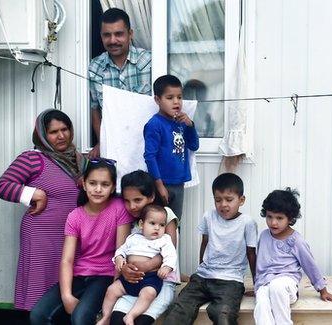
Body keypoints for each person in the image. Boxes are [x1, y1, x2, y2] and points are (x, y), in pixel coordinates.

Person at [0, 109, 88, 311]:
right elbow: (2, 186)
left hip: (71, 237)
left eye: (65, 129)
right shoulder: (32, 158)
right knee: (39, 289)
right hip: (40, 237)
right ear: (43, 135)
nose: (61, 136)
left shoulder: (79, 161)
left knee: (68, 290)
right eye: (54, 132)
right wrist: (35, 194)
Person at [29, 160, 135, 324]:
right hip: (80, 274)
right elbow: (67, 260)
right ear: (84, 184)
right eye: (93, 183)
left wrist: (114, 291)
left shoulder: (119, 208)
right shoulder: (75, 216)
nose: (98, 189)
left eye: (105, 184)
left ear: (113, 187)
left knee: (80, 317)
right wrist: (66, 296)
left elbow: (121, 253)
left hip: (105, 276)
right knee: (38, 314)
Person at [163, 173, 257, 325]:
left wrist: (257, 284)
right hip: (203, 277)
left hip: (230, 280)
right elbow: (205, 242)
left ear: (241, 200)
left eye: (229, 199)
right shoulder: (209, 216)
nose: (223, 205)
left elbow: (251, 254)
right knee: (179, 310)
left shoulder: (247, 223)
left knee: (223, 314)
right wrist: (201, 267)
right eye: (218, 200)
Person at [253, 188, 332, 325]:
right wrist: (257, 286)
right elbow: (260, 264)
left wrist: (323, 290)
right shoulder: (264, 236)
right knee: (262, 301)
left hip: (286, 285)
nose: (273, 222)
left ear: (290, 219)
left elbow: (310, 265)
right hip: (265, 283)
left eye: (279, 218)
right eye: (269, 217)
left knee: (277, 287)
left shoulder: (296, 240)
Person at [108, 170, 182, 325]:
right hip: (132, 281)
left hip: (160, 282)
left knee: (140, 321)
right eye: (127, 201)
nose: (132, 206)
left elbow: (169, 252)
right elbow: (123, 250)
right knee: (116, 321)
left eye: (137, 200)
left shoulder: (164, 215)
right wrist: (125, 269)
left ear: (151, 197)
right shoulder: (131, 220)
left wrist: (145, 266)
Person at [97, 205, 177, 325]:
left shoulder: (164, 240)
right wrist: (119, 258)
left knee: (149, 293)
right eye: (152, 223)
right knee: (111, 290)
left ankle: (131, 315)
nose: (157, 228)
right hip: (128, 278)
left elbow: (171, 255)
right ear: (141, 224)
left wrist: (167, 267)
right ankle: (106, 316)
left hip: (150, 278)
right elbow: (121, 250)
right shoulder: (133, 238)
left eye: (161, 225)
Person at [89, 8, 152, 157]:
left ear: (130, 34)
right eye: (107, 35)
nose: (112, 41)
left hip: (147, 145)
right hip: (115, 148)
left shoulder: (149, 62)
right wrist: (102, 142)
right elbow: (95, 109)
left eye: (118, 34)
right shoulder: (95, 67)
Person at [143, 74, 199, 219]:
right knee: (158, 223)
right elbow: (150, 156)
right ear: (157, 100)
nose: (176, 102)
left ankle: (174, 243)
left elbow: (194, 145)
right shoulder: (154, 124)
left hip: (179, 182)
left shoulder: (182, 121)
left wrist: (190, 125)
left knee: (175, 223)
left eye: (179, 97)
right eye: (170, 98)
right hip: (161, 183)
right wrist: (159, 185)